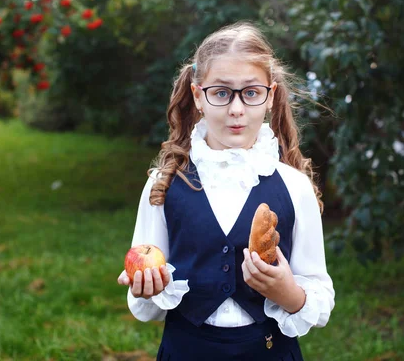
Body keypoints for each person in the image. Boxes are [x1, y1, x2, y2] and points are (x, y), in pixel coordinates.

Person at [117, 21, 335, 361]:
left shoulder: (295, 186)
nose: (236, 109)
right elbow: (146, 307)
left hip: (269, 351)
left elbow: (319, 296)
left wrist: (288, 293)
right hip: (185, 350)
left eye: (250, 93)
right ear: (197, 96)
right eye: (221, 92)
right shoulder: (165, 182)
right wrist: (147, 288)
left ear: (270, 96)